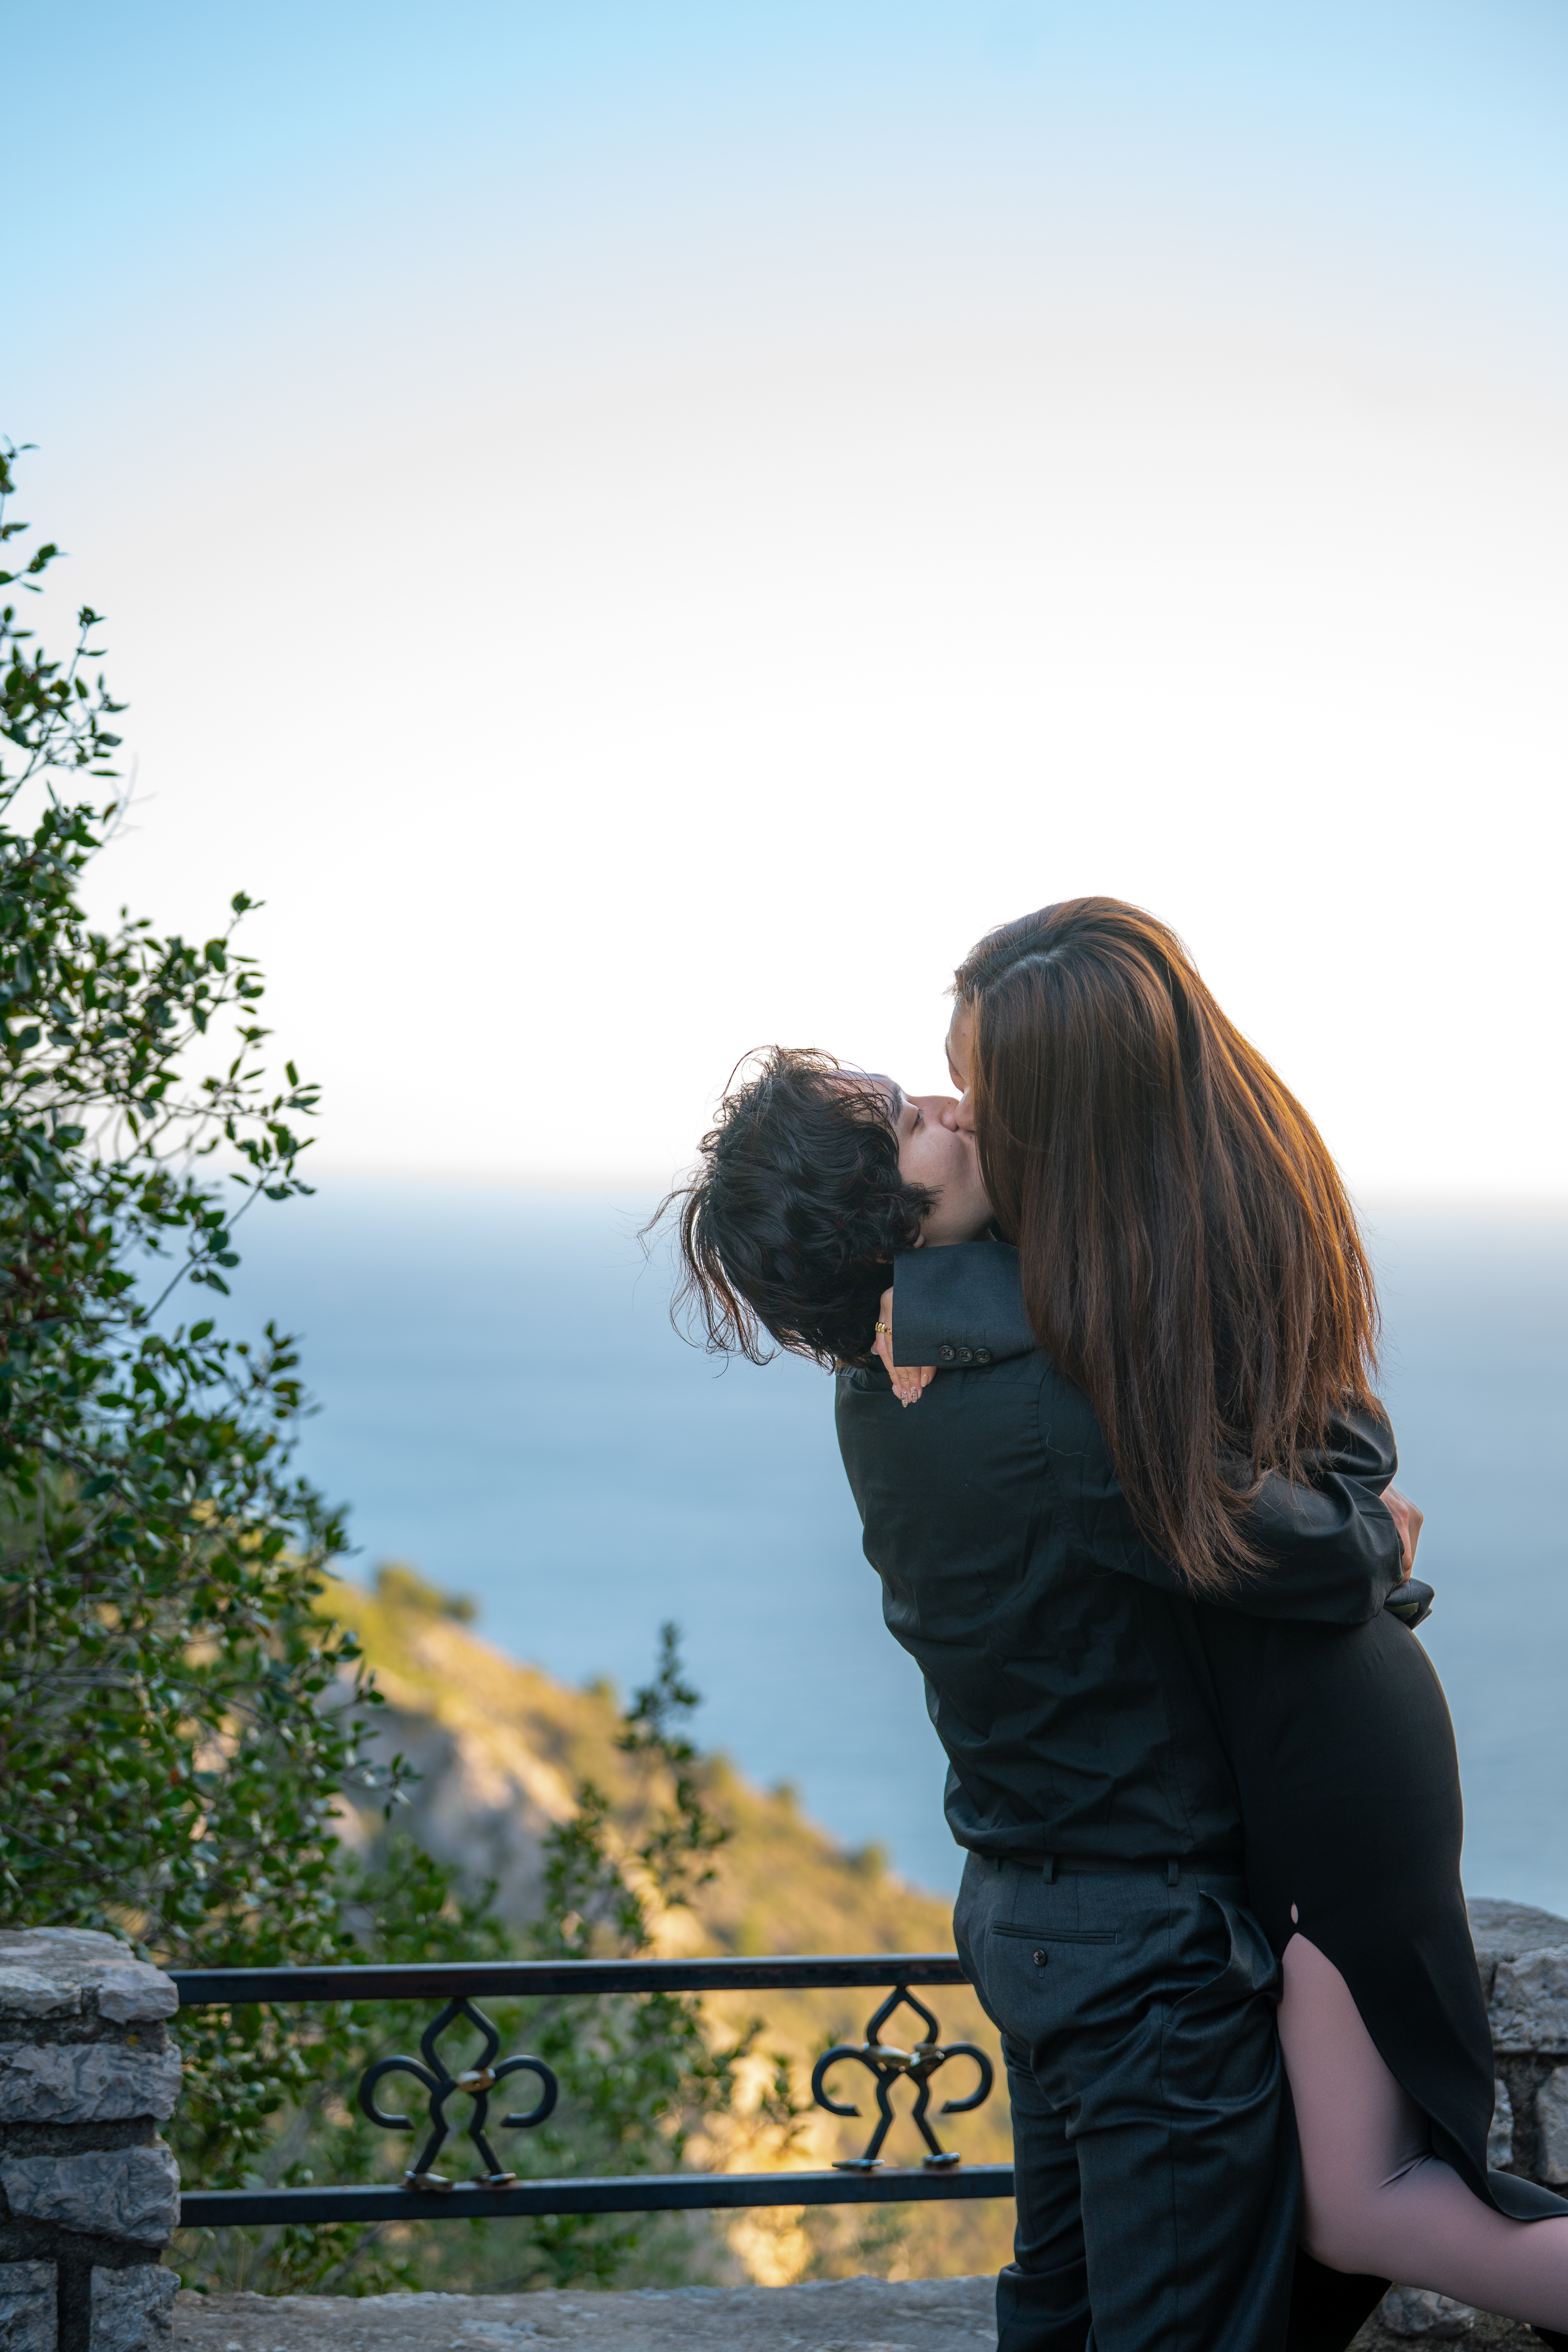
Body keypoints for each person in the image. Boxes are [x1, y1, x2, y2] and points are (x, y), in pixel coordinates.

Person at [875, 898, 1568, 2339]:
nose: (956, 1117)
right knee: (1344, 2203)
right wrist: (923, 1280)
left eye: (987, 1104)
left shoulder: (1162, 1255)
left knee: (1355, 2199)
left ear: (1075, 1123)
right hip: (1272, 1727)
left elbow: (1319, 1483)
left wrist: (1360, 1541)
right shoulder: (1152, 1231)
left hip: (1318, 1747)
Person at [660, 1045, 1414, 2352]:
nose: (949, 1107)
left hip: (1028, 1911)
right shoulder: (1051, 1409)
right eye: (909, 1120)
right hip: (1143, 1946)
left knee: (1060, 2312)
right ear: (879, 1213)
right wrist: (1352, 1458)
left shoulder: (880, 1389)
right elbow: (1325, 1549)